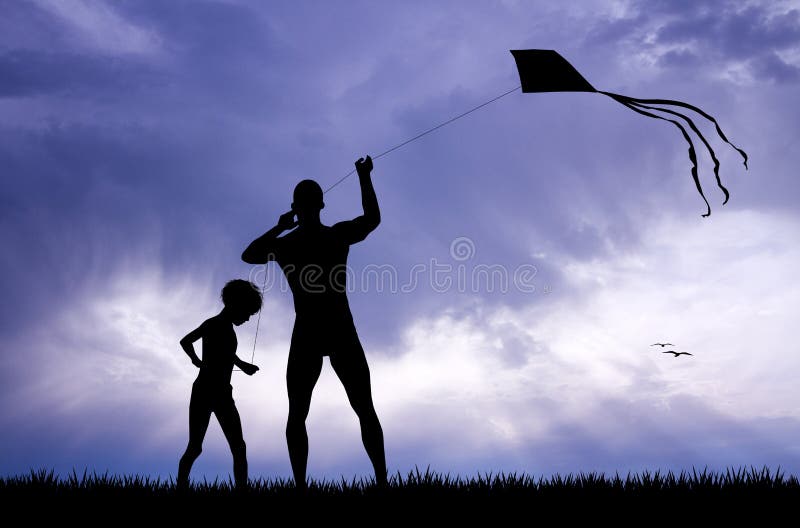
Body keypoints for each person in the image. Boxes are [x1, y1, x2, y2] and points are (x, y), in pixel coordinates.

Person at [242, 155, 387, 489]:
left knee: (301, 413)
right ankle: (381, 482)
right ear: (322, 204)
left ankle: (302, 486)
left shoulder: (288, 244)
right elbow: (373, 219)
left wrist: (281, 225)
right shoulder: (334, 237)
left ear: (296, 206)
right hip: (334, 328)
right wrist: (364, 177)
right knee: (361, 407)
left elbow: (249, 255)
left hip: (314, 329)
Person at [177, 279, 262, 489]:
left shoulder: (222, 327)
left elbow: (226, 353)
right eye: (247, 312)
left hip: (221, 392)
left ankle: (241, 488)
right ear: (234, 303)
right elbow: (186, 341)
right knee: (197, 447)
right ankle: (181, 486)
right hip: (206, 391)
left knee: (237, 446)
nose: (248, 318)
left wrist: (242, 365)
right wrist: (196, 361)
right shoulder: (214, 324)